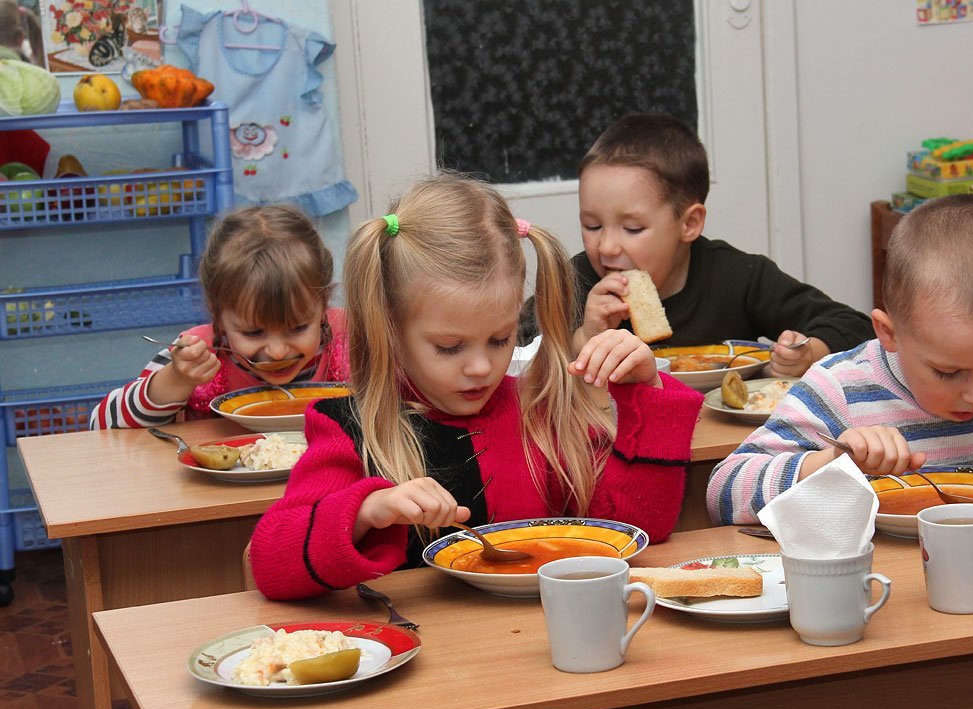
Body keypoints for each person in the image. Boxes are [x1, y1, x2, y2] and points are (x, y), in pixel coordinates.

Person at [249, 174, 704, 601]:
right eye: (450, 347)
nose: (482, 367)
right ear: (390, 329)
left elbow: (637, 529)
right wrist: (368, 510)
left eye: (501, 339)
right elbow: (268, 564)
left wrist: (649, 391)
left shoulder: (541, 411)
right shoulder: (349, 429)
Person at [707, 193, 973, 524]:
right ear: (889, 333)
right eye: (948, 372)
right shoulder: (840, 389)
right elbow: (723, 492)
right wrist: (830, 463)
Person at [520, 113, 873, 378]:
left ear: (688, 224)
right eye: (592, 226)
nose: (607, 246)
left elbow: (854, 326)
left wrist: (808, 353)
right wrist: (584, 336)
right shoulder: (575, 281)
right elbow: (510, 352)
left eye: (632, 228)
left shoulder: (737, 276)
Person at [89, 205, 348, 429]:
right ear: (219, 317)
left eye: (298, 328)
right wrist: (176, 379)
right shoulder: (195, 353)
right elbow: (101, 424)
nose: (277, 352)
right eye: (253, 332)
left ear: (323, 304)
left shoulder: (353, 338)